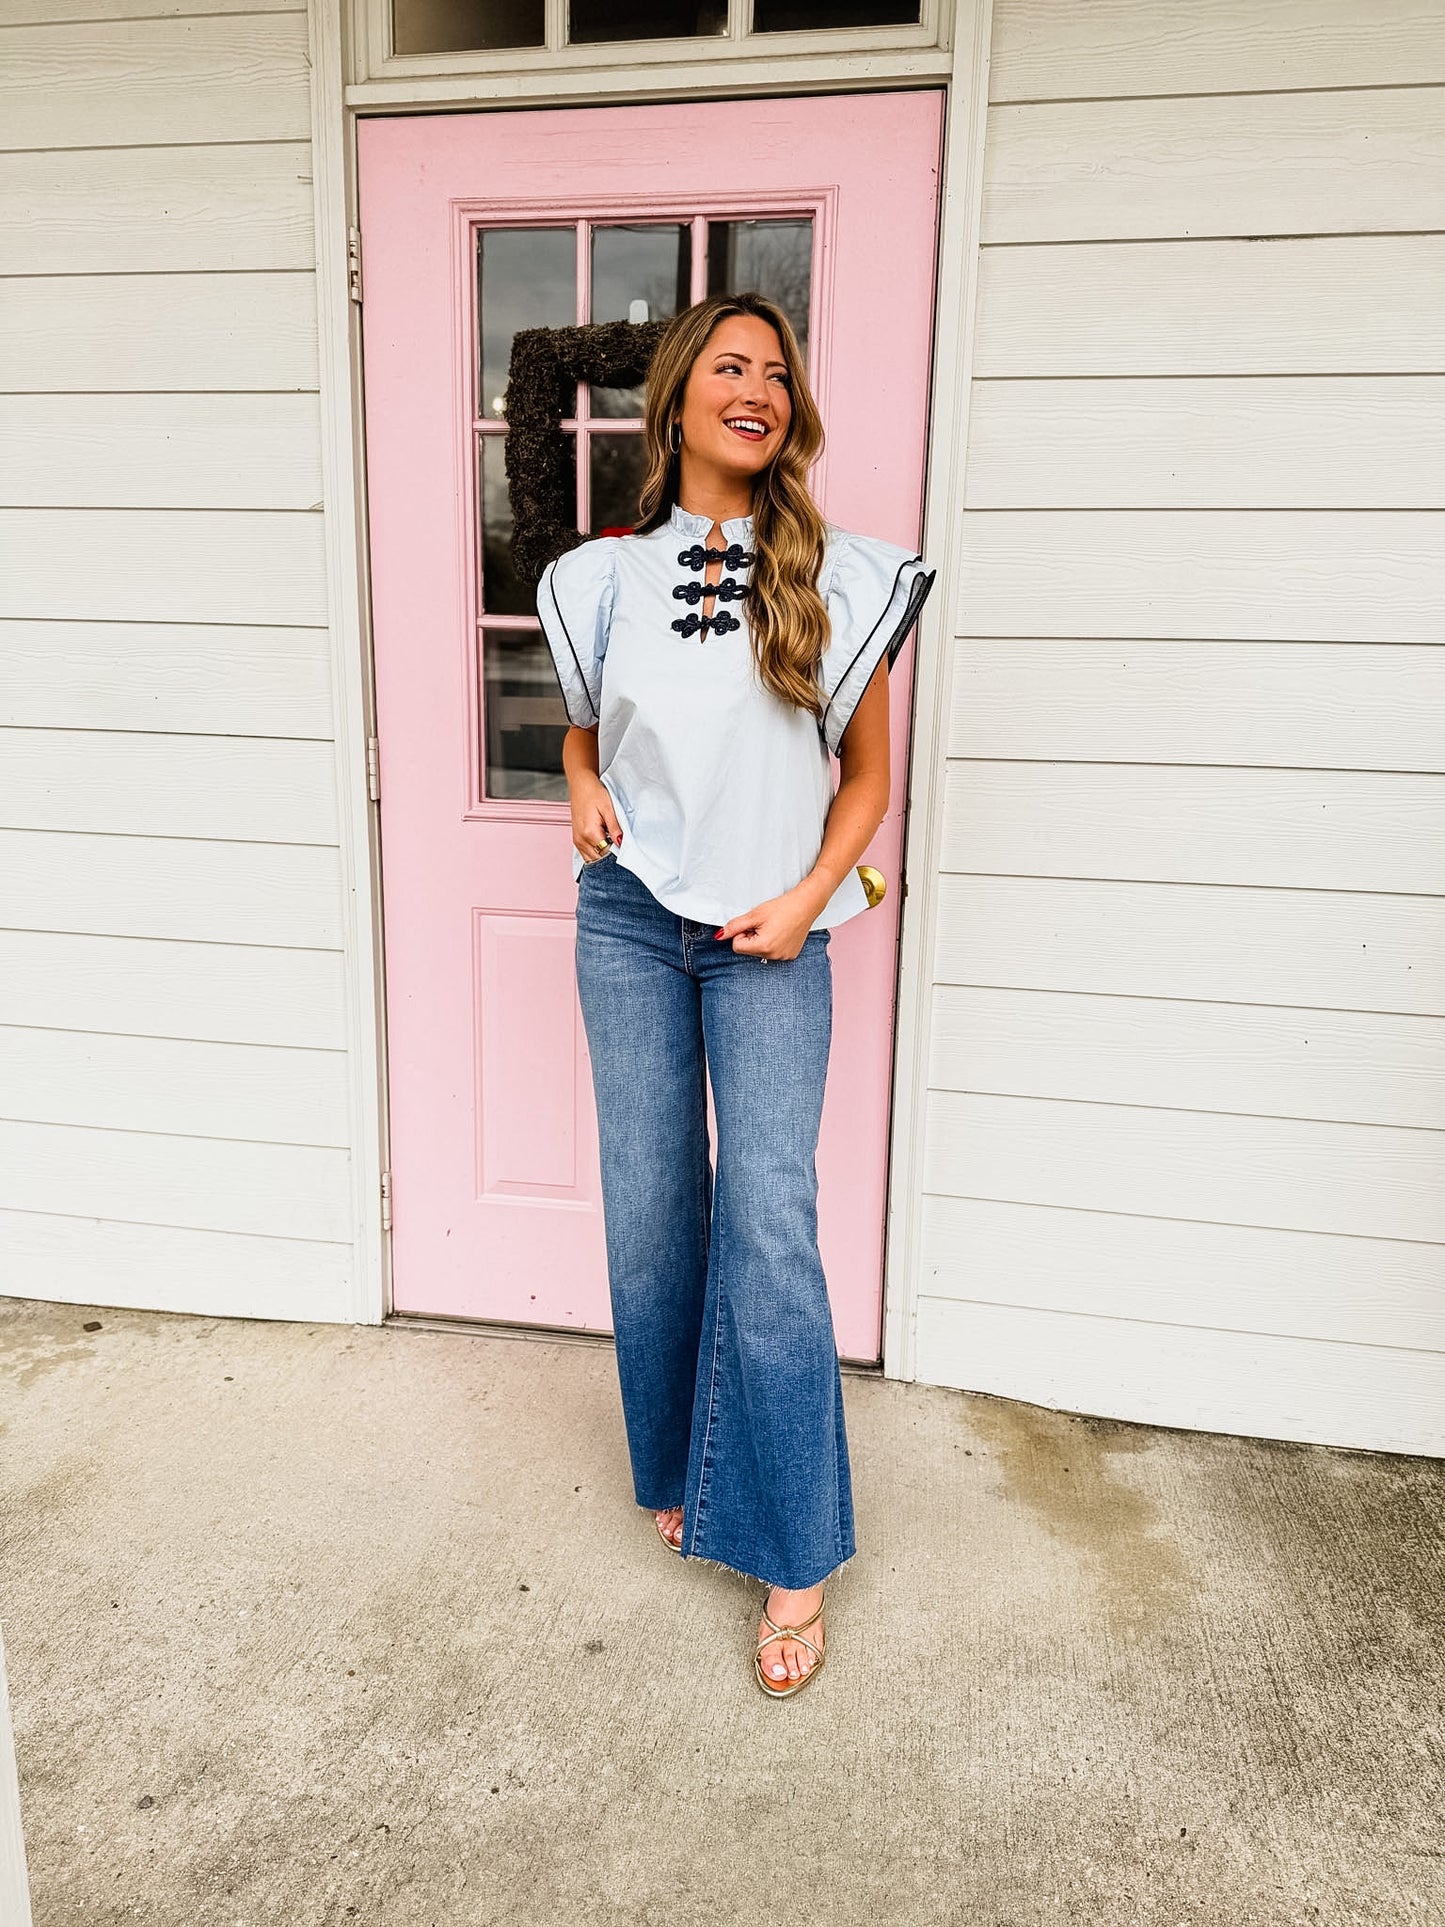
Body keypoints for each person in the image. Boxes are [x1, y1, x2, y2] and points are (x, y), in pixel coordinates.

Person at [536, 291, 934, 1699]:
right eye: (730, 365)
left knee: (767, 1220)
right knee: (652, 1205)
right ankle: (675, 1463)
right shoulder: (595, 582)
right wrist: (581, 791)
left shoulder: (842, 573)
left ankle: (789, 1550)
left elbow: (869, 780)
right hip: (631, 921)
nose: (757, 387)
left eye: (776, 371)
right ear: (678, 399)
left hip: (772, 931)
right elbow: (585, 738)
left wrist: (810, 899)